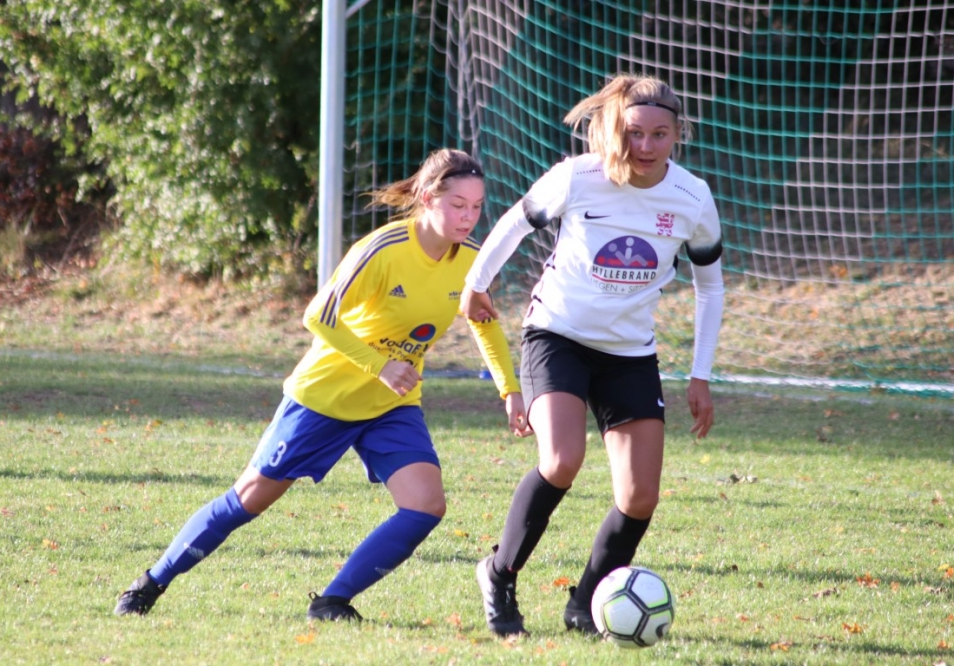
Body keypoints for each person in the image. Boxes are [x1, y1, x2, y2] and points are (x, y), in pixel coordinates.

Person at [114, 148, 528, 620]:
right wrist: (380, 365)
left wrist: (509, 390)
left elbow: (482, 321)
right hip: (324, 397)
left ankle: (332, 601)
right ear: (429, 198)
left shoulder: (472, 259)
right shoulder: (383, 249)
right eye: (458, 205)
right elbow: (318, 315)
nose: (469, 217)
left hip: (390, 405)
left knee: (426, 505)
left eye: (476, 207)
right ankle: (150, 583)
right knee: (248, 499)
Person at [460, 74, 725, 636]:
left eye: (659, 134)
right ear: (614, 128)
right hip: (556, 335)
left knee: (640, 496)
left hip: (629, 353)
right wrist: (476, 283)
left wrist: (700, 374)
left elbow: (711, 286)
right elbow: (516, 221)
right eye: (634, 132)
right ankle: (499, 574)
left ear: (677, 134)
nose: (645, 146)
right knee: (561, 460)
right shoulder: (579, 176)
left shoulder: (692, 197)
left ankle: (586, 602)